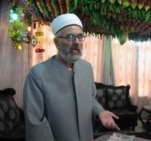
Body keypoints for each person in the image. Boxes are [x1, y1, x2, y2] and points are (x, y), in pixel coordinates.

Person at [23, 13, 120, 141]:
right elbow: (36, 124)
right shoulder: (37, 75)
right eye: (70, 37)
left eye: (80, 37)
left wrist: (99, 111)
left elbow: (89, 99)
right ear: (57, 43)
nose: (77, 42)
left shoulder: (87, 68)